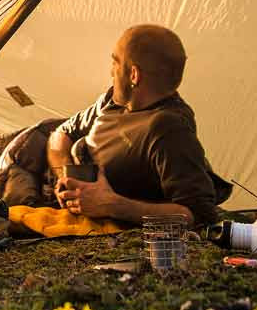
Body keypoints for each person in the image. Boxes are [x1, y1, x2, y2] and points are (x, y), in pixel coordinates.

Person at [48, 24, 222, 226]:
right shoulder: (111, 101)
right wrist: (65, 178)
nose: (111, 71)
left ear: (134, 75)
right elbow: (60, 134)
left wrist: (111, 205)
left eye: (116, 63)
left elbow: (200, 214)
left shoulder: (167, 128)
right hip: (48, 174)